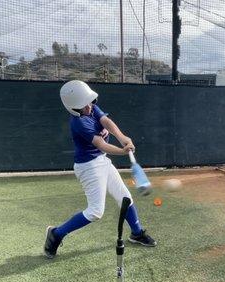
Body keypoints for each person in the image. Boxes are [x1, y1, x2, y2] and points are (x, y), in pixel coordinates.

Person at [44, 80, 156, 259]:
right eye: (84, 105)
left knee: (125, 197)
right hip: (88, 167)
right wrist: (122, 151)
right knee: (96, 211)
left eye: (90, 102)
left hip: (101, 161)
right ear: (74, 108)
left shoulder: (89, 106)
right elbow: (101, 144)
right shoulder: (79, 123)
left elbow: (106, 121)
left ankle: (136, 233)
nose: (90, 106)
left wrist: (122, 137)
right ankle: (56, 234)